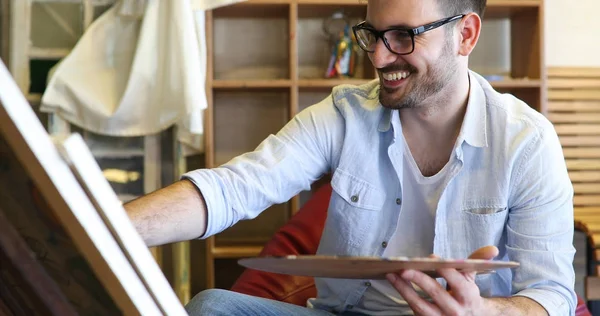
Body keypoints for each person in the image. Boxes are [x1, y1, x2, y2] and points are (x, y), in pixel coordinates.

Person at [124, 0, 577, 315]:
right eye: (373, 34)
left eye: (403, 36)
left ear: (466, 34)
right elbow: (236, 188)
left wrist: (481, 311)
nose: (379, 56)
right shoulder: (345, 114)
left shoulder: (526, 142)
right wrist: (100, 228)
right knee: (212, 306)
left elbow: (551, 295)